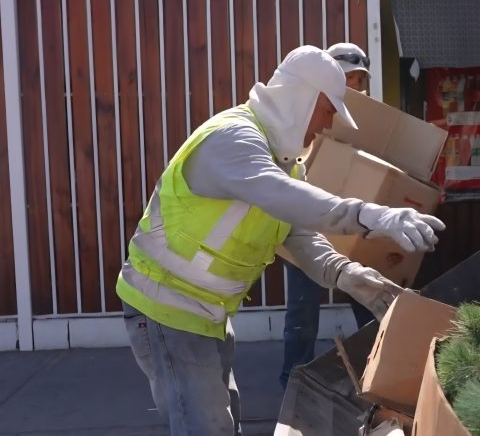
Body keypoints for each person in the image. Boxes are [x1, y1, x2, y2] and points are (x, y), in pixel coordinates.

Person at [118, 45, 445, 436]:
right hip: (166, 306)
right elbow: (284, 197)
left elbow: (301, 235)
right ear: (300, 98)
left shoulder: (284, 162)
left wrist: (350, 276)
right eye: (326, 110)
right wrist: (368, 214)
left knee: (223, 423)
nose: (324, 126)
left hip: (206, 315)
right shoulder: (234, 139)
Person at [280, 42, 376, 389]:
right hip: (308, 225)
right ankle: (294, 381)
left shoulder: (376, 123)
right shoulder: (305, 116)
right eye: (348, 78)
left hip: (352, 227)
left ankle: (375, 377)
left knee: (366, 300)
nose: (355, 88)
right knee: (303, 310)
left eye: (360, 80)